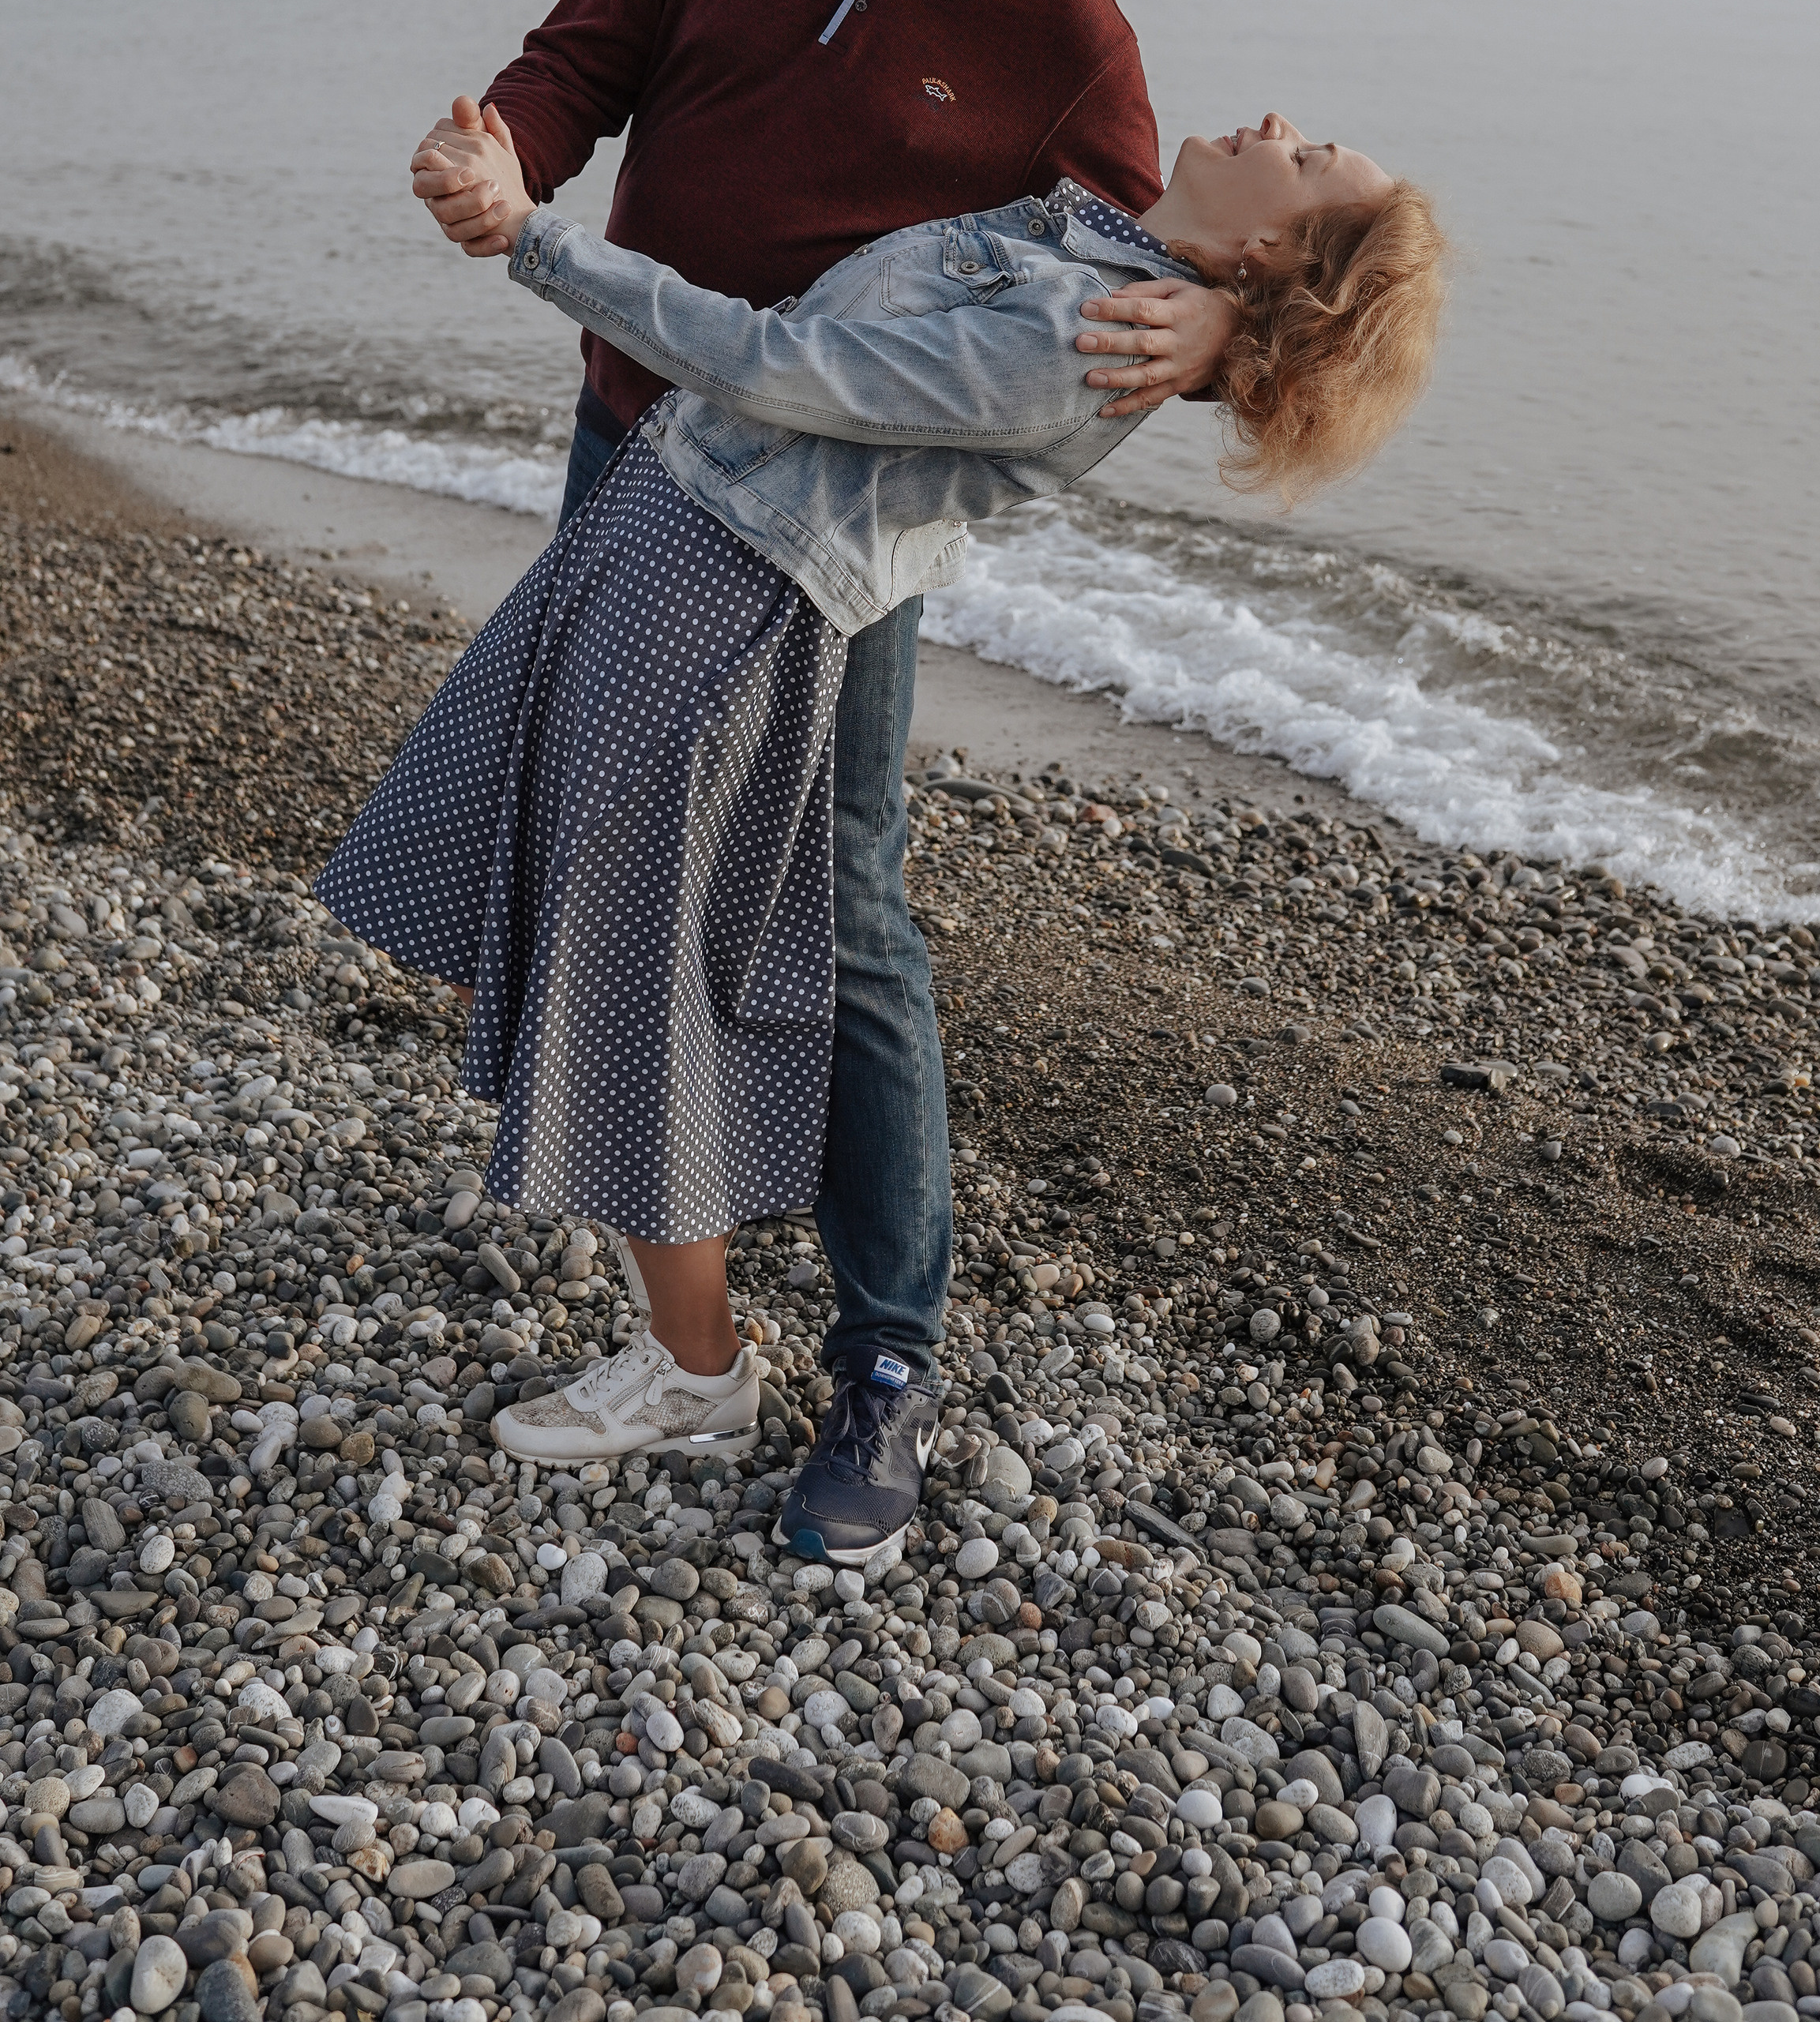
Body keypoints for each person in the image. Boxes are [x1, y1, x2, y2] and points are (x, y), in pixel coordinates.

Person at [321, 107, 1444, 1562]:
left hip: (721, 605)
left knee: (633, 976)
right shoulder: (1089, 250)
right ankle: (686, 1330)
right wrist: (1232, 318)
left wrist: (534, 239)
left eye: (1309, 165)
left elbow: (791, 371)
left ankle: (698, 1370)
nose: (1285, 126)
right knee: (575, 928)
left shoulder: (1075, 337)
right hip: (670, 534)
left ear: (1265, 243)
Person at [406, 0, 1233, 1542]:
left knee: (847, 901)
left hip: (823, 553)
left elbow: (1159, 274)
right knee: (593, 856)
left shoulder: (1075, 38)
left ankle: (881, 1360)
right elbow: (578, 67)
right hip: (633, 442)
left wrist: (1217, 336)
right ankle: (677, 1276)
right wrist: (501, 157)